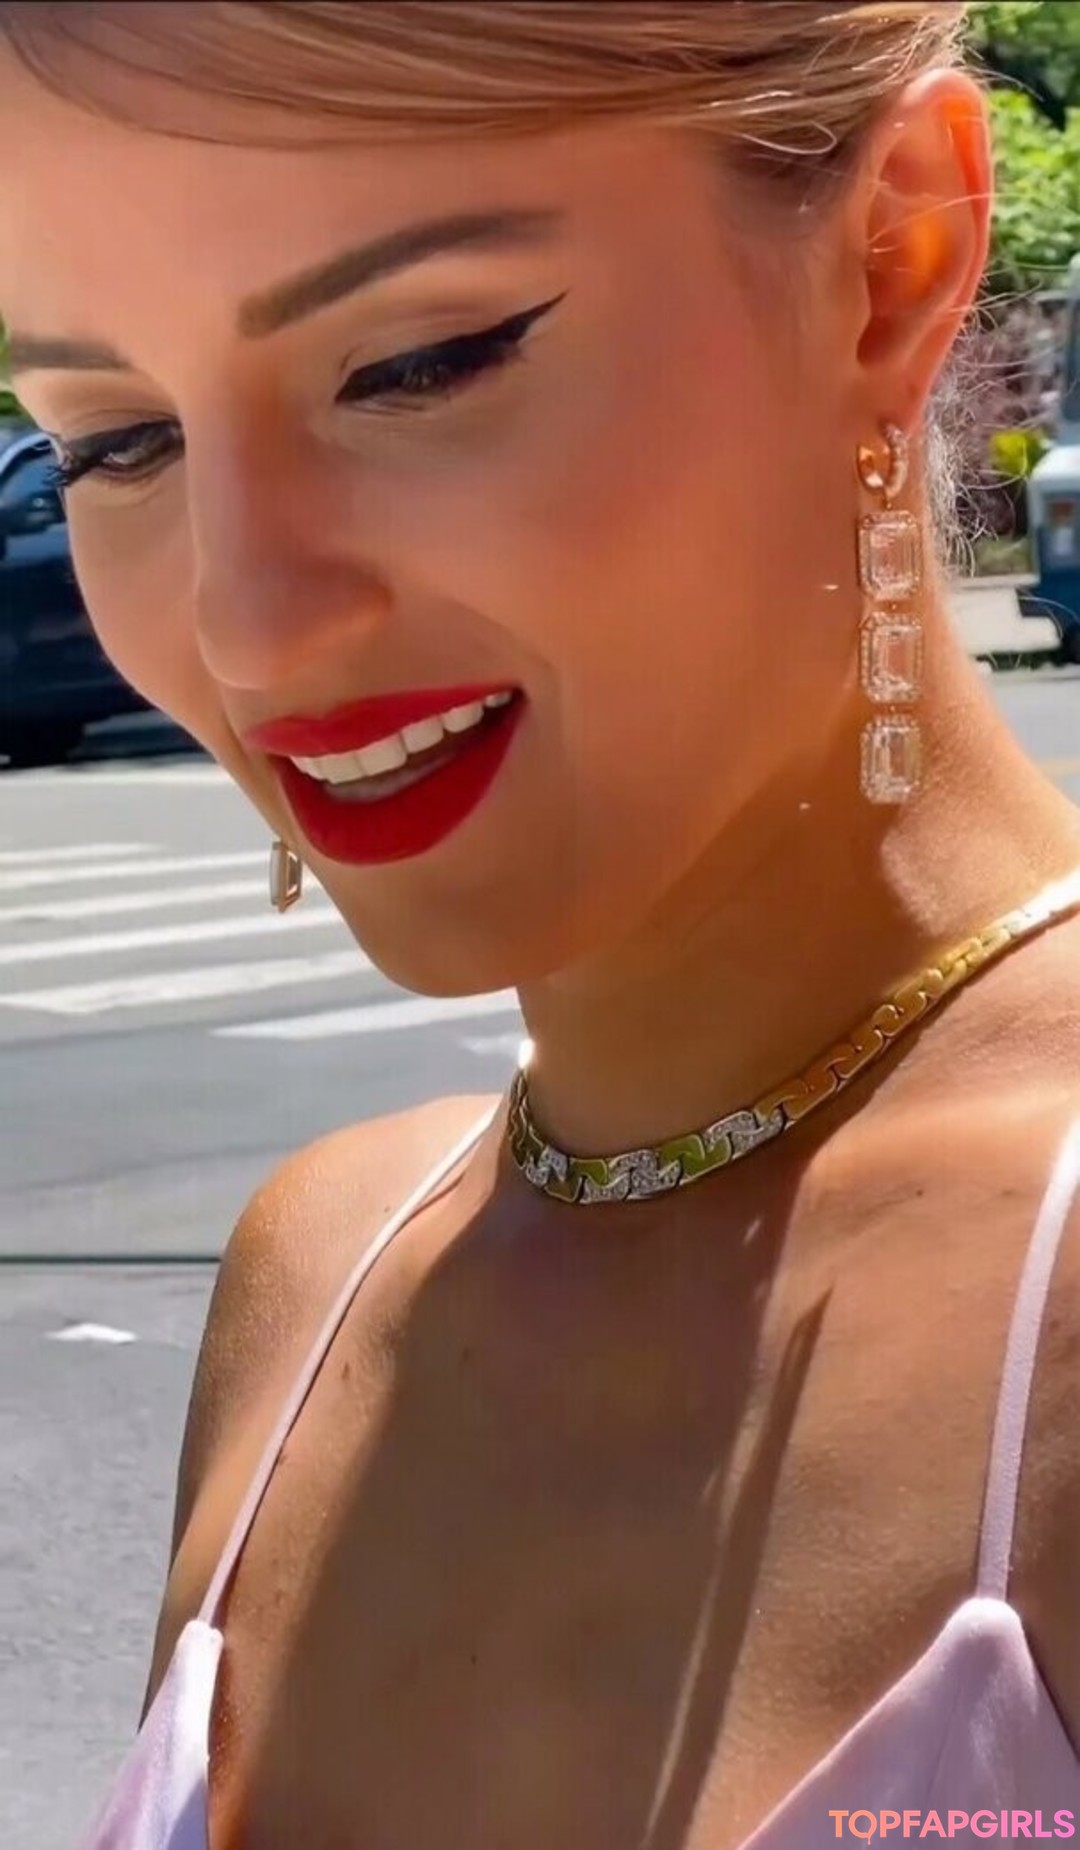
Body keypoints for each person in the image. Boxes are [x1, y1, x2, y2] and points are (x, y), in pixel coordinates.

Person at [2, 3, 1080, 1843]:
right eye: (115, 444)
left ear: (894, 258)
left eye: (415, 365)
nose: (248, 623)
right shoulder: (315, 1283)